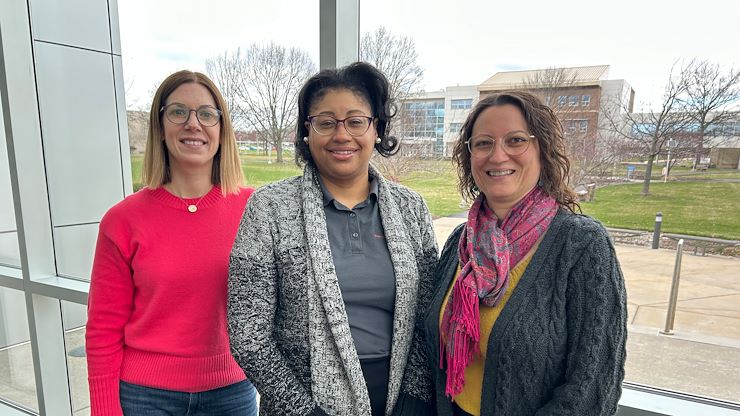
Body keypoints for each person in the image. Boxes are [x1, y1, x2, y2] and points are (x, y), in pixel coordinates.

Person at [228, 62, 438, 416]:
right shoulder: (269, 208)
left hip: (402, 402)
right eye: (326, 122)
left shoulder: (411, 208)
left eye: (356, 121)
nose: (342, 135)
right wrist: (304, 411)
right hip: (301, 405)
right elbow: (248, 334)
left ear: (377, 130)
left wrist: (414, 398)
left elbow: (428, 313)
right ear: (307, 133)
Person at [423, 91, 627, 416]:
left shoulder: (582, 246)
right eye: (483, 143)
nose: (498, 155)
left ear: (542, 149)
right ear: (469, 156)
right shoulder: (460, 243)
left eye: (516, 140)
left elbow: (592, 390)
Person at [85, 70, 258, 415]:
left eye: (207, 114)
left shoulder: (255, 211)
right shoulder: (122, 220)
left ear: (222, 131)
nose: (193, 124)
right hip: (144, 397)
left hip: (232, 393)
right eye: (179, 112)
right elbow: (103, 328)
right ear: (160, 127)